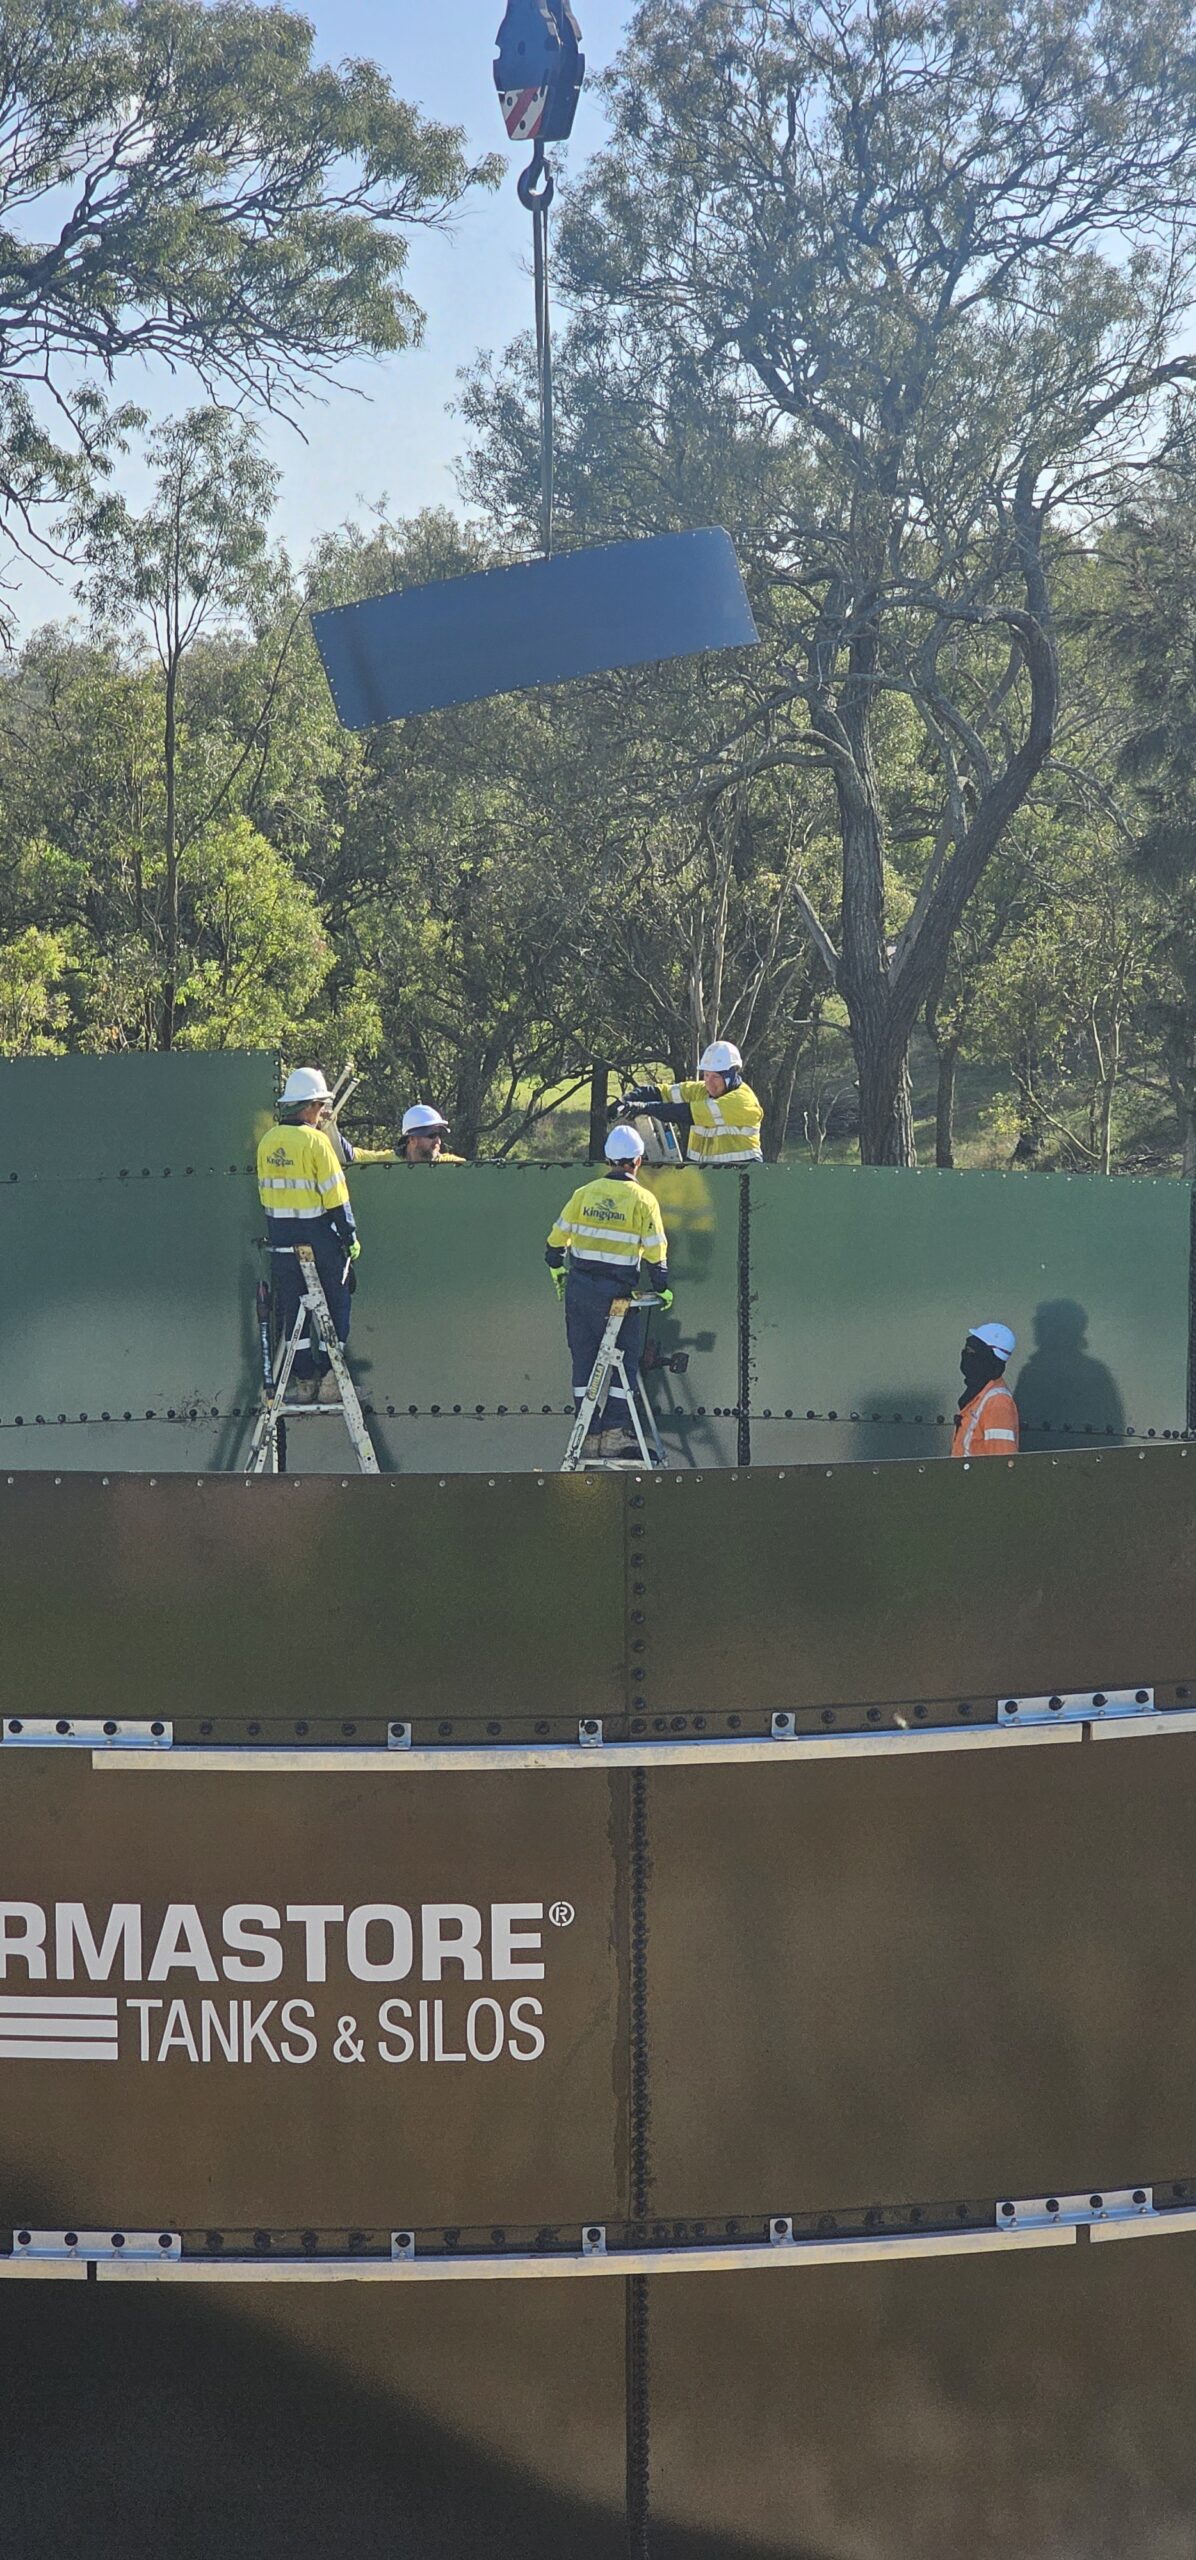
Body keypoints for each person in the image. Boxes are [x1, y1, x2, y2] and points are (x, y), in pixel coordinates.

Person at [546, 1124, 671, 1460]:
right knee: (623, 1361)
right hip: (618, 1299)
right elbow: (656, 1253)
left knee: (583, 1360)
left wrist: (558, 1270)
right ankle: (615, 1434)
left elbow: (554, 1246)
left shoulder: (583, 1193)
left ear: (608, 1160)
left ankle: (588, 1434)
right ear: (637, 1162)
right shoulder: (644, 1200)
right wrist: (663, 1289)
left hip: (579, 1292)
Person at [256, 1066, 360, 1405]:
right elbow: (335, 1196)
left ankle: (303, 1380)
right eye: (321, 1107)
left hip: (282, 1243)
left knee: (293, 1311)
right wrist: (349, 1236)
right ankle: (332, 1377)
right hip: (318, 1241)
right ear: (312, 1106)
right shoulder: (316, 1142)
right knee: (339, 1298)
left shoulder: (267, 1142)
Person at [620, 1041, 763, 1165]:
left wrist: (645, 1108)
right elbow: (661, 1092)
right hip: (706, 1175)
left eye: (716, 1077)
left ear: (731, 1075)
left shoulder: (742, 1101)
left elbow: (686, 1113)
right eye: (706, 1075)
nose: (709, 1083)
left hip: (743, 1176)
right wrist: (625, 1101)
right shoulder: (701, 1090)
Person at [952, 1322, 1020, 1458]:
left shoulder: (997, 1403)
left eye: (972, 1352)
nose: (966, 1355)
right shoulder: (977, 1397)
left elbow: (1002, 1463)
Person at [340, 1104, 464, 1166]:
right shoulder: (387, 1161)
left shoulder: (450, 1164)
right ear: (412, 1139)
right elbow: (349, 1155)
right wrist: (330, 1125)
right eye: (432, 1135)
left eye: (439, 1135)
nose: (438, 1141)